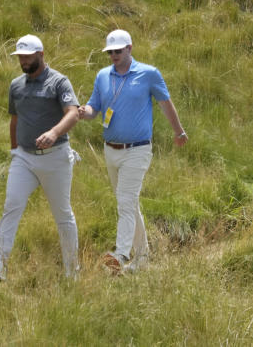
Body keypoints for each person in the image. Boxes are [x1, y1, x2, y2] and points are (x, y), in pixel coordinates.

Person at [77, 29, 187, 275]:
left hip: (138, 149)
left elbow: (165, 103)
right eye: (110, 52)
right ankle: (143, 256)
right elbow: (95, 107)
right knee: (129, 203)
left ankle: (121, 253)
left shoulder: (149, 74)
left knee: (125, 201)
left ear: (130, 48)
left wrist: (178, 131)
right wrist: (85, 112)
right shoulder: (103, 76)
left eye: (118, 51)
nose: (114, 55)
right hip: (110, 150)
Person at [0, 34, 81, 280]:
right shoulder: (16, 85)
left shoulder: (59, 82)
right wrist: (14, 149)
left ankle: (72, 271)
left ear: (41, 54)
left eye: (27, 56)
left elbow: (73, 113)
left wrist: (54, 132)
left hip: (55, 157)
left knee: (62, 214)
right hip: (24, 158)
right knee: (11, 206)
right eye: (20, 57)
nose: (23, 61)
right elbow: (14, 120)